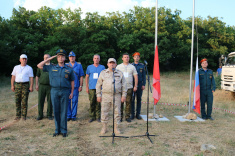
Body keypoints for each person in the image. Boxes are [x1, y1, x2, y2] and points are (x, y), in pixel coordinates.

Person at [37, 49, 74, 137]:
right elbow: (39, 65)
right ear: (56, 58)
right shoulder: (51, 67)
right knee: (56, 111)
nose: (61, 58)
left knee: (64, 111)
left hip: (65, 91)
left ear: (65, 58)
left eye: (62, 56)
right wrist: (49, 59)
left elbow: (72, 81)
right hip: (54, 91)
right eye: (59, 56)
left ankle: (64, 130)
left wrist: (71, 92)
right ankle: (57, 130)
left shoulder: (69, 69)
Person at [96, 58, 127, 134]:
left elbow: (124, 85)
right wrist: (98, 95)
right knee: (104, 112)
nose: (112, 64)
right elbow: (98, 85)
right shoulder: (103, 73)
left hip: (117, 96)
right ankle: (104, 128)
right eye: (110, 63)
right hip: (106, 96)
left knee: (117, 113)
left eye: (113, 63)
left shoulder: (120, 73)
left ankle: (116, 128)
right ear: (107, 64)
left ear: (116, 64)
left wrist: (124, 95)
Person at [11, 54, 34, 121]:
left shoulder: (29, 68)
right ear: (20, 60)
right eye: (23, 59)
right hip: (17, 85)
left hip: (25, 85)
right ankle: (18, 115)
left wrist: (31, 86)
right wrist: (12, 85)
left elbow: (31, 78)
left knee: (24, 101)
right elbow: (13, 77)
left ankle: (24, 116)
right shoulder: (16, 67)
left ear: (27, 60)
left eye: (25, 59)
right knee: (17, 100)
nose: (24, 60)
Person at [116, 53, 138, 122]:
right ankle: (120, 117)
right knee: (120, 103)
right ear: (122, 58)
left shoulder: (132, 67)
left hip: (129, 87)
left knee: (128, 102)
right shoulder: (118, 67)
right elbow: (115, 76)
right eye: (125, 57)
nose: (126, 58)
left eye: (127, 57)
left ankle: (127, 117)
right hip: (121, 88)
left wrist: (135, 86)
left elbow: (135, 76)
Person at [85, 54, 105, 123]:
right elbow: (87, 77)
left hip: (100, 88)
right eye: (95, 58)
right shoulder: (89, 67)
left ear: (99, 59)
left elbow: (104, 77)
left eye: (97, 58)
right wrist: (87, 87)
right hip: (92, 88)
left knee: (98, 103)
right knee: (92, 102)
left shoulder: (102, 67)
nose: (96, 59)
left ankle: (98, 117)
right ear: (93, 59)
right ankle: (92, 116)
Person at [66, 51, 84, 121]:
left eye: (73, 56)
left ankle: (73, 116)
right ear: (68, 58)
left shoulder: (79, 65)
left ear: (75, 57)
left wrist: (81, 86)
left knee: (74, 101)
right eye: (70, 57)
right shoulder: (66, 65)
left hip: (76, 86)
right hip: (68, 86)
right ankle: (68, 115)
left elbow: (81, 76)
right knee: (67, 101)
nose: (72, 58)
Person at [35, 54, 53, 120]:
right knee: (40, 100)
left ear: (50, 58)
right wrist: (36, 85)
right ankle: (40, 115)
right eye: (45, 58)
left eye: (47, 57)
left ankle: (49, 114)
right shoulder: (41, 66)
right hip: (42, 85)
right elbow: (37, 76)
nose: (46, 59)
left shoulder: (53, 66)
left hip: (50, 86)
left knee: (50, 101)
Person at [131, 52, 146, 120]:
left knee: (139, 99)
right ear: (133, 58)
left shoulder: (142, 66)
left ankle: (138, 114)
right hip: (132, 84)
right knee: (132, 100)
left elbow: (144, 76)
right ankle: (132, 114)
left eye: (138, 57)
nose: (136, 58)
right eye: (135, 57)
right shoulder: (131, 65)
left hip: (140, 85)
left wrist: (143, 84)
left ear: (139, 58)